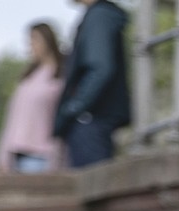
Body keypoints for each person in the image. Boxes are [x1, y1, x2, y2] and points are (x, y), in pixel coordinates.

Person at [54, 0, 131, 168]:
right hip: (91, 120)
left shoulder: (99, 15)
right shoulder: (99, 15)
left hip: (91, 120)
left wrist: (74, 108)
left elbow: (101, 68)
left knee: (91, 185)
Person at [0, 23, 65, 173]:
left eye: (35, 39)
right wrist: (2, 157)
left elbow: (60, 119)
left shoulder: (59, 78)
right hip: (17, 154)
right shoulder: (27, 80)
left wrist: (57, 157)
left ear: (47, 41)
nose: (30, 45)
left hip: (43, 155)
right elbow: (12, 120)